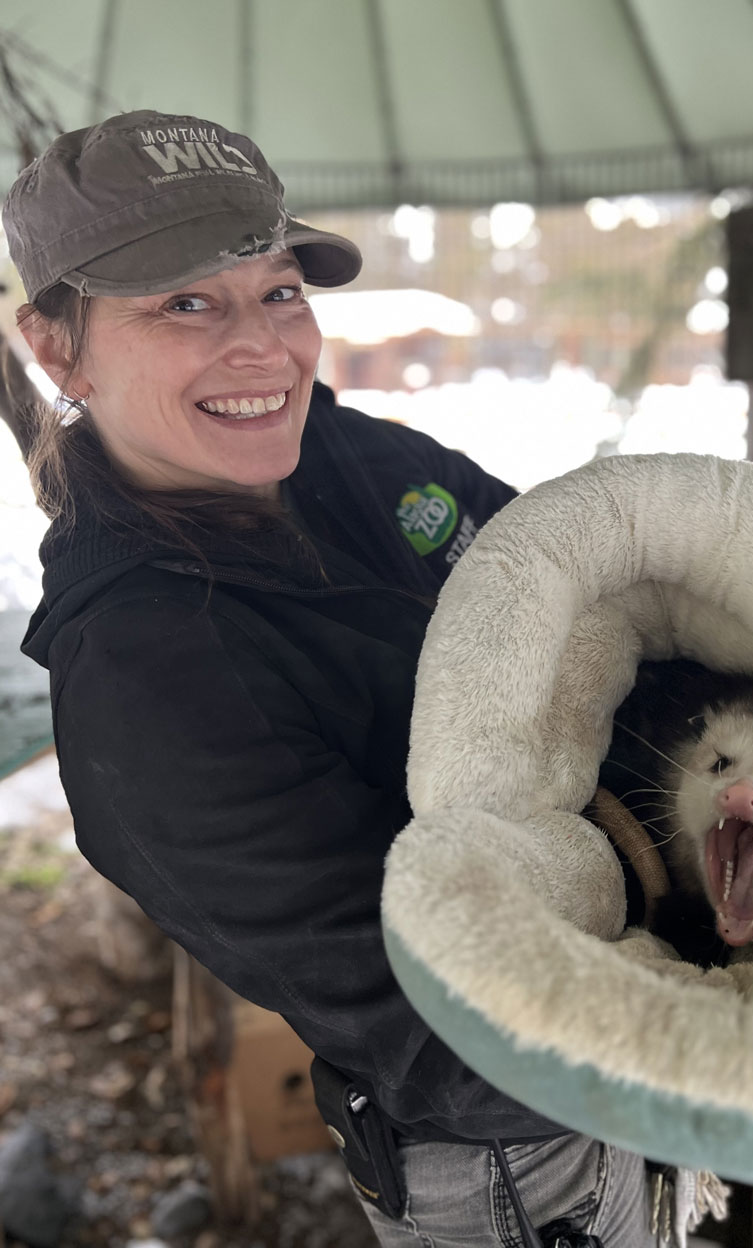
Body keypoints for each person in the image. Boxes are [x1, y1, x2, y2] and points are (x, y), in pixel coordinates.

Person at [2, 110, 656, 1246]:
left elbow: (591, 596)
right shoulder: (145, 677)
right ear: (58, 350)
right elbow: (442, 1035)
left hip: (646, 1012)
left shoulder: (353, 460)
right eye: (184, 304)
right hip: (520, 1165)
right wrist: (749, 1015)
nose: (265, 348)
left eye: (280, 290)